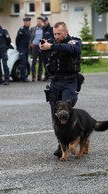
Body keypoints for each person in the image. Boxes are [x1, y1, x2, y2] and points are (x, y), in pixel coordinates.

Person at [39, 21, 82, 158]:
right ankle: (61, 144)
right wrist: (43, 45)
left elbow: (72, 50)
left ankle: (73, 139)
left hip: (69, 81)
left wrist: (52, 45)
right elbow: (45, 47)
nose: (56, 36)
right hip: (55, 82)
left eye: (59, 33)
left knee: (66, 111)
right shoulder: (52, 42)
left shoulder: (74, 41)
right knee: (56, 114)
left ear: (66, 32)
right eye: (55, 34)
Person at [15, 17, 31, 82]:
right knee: (23, 63)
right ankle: (22, 77)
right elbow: (17, 39)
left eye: (29, 22)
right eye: (27, 22)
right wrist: (19, 48)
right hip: (22, 49)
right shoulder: (21, 30)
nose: (28, 23)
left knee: (25, 63)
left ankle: (24, 76)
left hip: (26, 49)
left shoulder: (28, 30)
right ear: (24, 22)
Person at [30, 17, 44, 82]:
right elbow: (29, 36)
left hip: (41, 46)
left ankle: (39, 76)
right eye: (37, 21)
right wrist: (30, 43)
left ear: (42, 22)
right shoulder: (33, 29)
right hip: (35, 46)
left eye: (39, 21)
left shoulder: (44, 29)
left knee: (41, 62)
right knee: (34, 61)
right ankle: (33, 76)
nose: (38, 22)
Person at [42, 16, 53, 81]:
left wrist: (48, 40)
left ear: (48, 21)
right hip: (43, 49)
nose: (44, 22)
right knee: (45, 62)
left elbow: (53, 38)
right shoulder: (42, 29)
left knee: (50, 62)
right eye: (43, 21)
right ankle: (46, 75)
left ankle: (50, 75)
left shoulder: (51, 29)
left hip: (49, 49)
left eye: (45, 21)